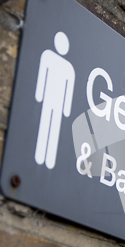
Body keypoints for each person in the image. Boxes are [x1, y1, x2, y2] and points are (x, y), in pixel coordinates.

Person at [34, 31, 75, 169]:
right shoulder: (47, 56)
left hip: (58, 104)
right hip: (48, 99)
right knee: (45, 124)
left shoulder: (69, 68)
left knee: (54, 128)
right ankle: (40, 156)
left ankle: (49, 160)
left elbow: (69, 87)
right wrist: (40, 95)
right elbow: (42, 78)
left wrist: (66, 109)